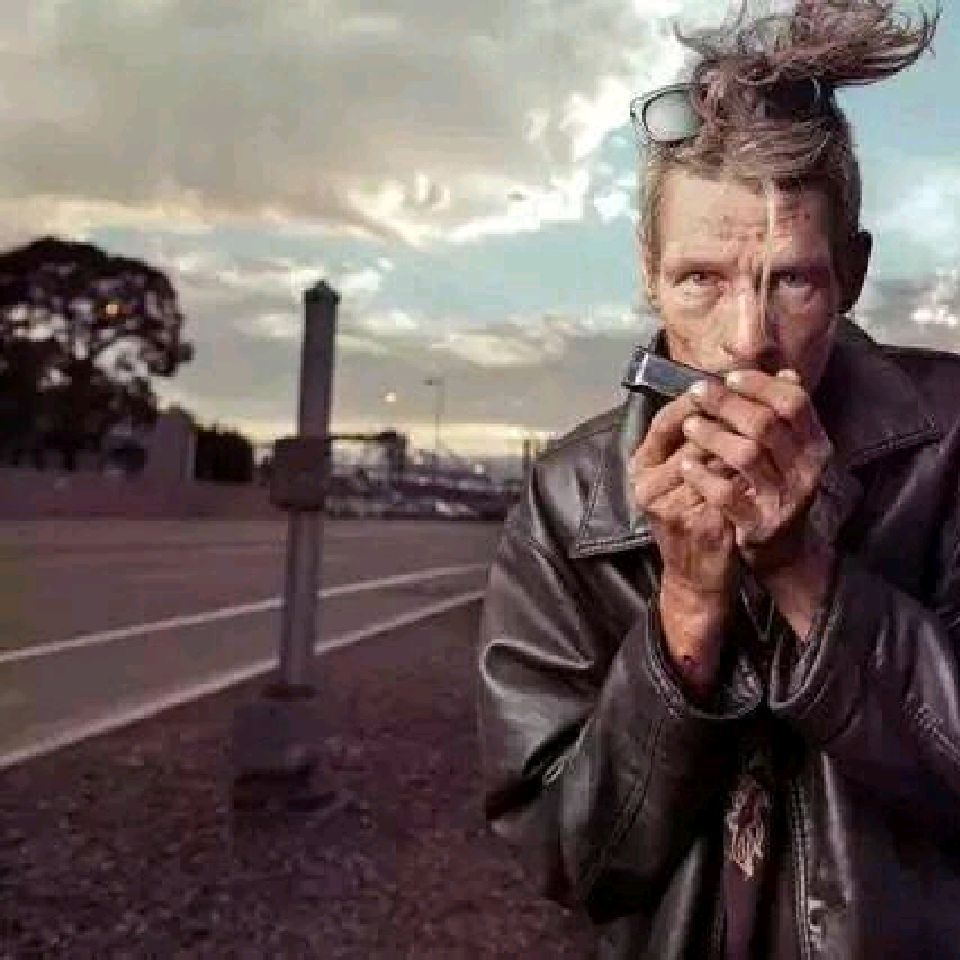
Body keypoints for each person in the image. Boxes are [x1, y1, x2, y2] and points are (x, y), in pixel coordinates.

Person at [476, 2, 960, 958]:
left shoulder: (953, 447)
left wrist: (802, 573)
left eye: (793, 280)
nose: (746, 341)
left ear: (854, 273)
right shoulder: (572, 498)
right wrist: (688, 611)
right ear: (650, 273)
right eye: (702, 278)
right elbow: (575, 862)